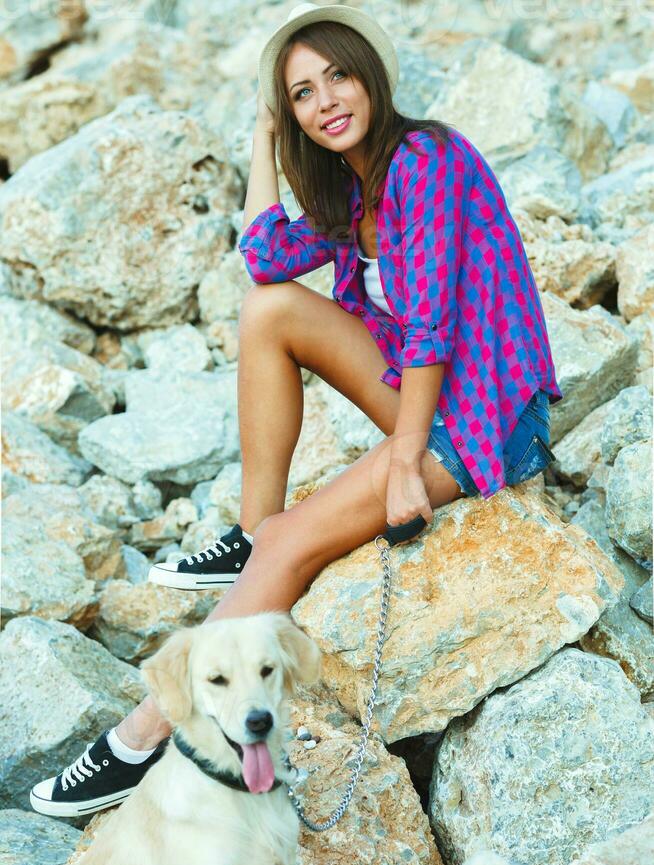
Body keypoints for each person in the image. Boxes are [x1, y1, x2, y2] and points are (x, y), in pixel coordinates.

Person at [30, 2, 562, 818]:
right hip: (435, 397)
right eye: (303, 95)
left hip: (488, 415)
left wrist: (404, 470)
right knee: (269, 311)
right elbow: (264, 256)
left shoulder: (427, 157)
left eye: (337, 77)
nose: (326, 102)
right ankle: (250, 533)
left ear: (371, 77)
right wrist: (265, 137)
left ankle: (141, 739)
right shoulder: (353, 188)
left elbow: (432, 329)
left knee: (292, 544)